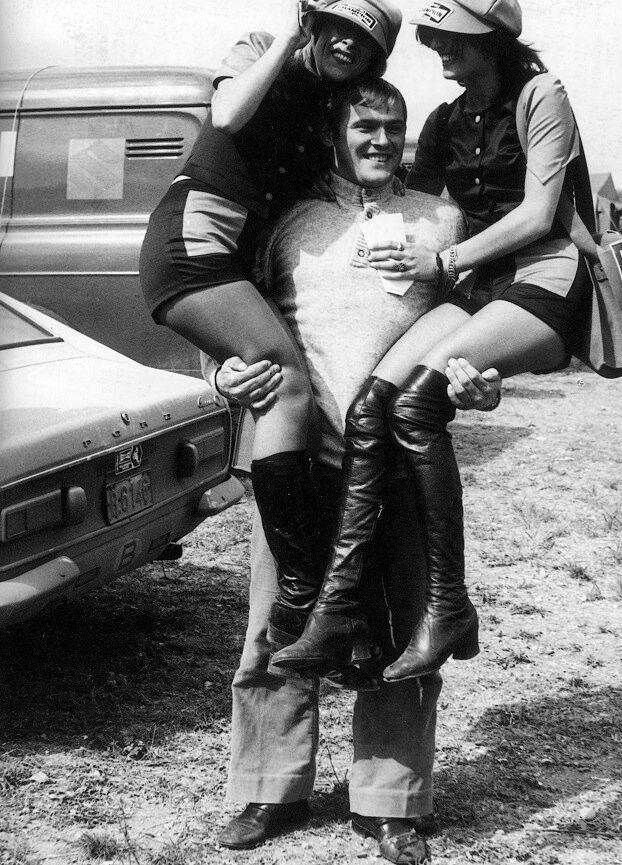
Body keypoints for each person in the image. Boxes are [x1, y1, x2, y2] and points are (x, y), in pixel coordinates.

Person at [203, 79, 501, 862]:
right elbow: (232, 320)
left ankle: (390, 801)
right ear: (336, 129)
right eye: (364, 123)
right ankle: (268, 789)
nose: (380, 138)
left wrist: (485, 382)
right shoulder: (287, 219)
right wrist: (224, 374)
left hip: (398, 465)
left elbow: (473, 333)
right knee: (278, 624)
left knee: (404, 630)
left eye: (393, 126)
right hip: (297, 460)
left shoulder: (442, 220)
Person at [273, 0, 594, 685]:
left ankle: (448, 604)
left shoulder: (540, 95)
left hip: (545, 279)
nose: (438, 49)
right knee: (369, 410)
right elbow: (397, 196)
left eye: (450, 36)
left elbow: (540, 215)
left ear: (490, 39)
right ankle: (338, 608)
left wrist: (445, 262)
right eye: (434, 35)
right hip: (481, 287)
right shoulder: (448, 119)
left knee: (416, 402)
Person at [139, 0, 402, 661]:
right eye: (336, 25)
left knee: (277, 379)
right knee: (284, 381)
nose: (347, 42)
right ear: (313, 20)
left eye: (365, 40)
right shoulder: (261, 50)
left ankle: (308, 598)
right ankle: (303, 588)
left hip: (240, 261)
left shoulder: (333, 112)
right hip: (195, 241)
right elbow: (226, 116)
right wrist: (288, 37)